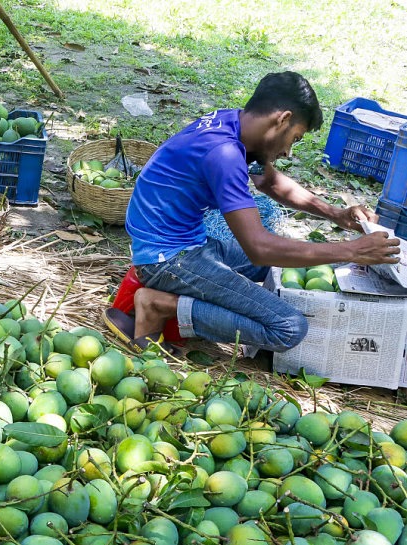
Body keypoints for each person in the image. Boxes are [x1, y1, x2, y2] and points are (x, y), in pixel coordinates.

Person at [106, 71, 400, 353]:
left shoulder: (235, 123)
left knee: (282, 265)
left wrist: (336, 214)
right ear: (282, 119)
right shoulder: (224, 154)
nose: (288, 153)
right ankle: (159, 304)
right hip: (168, 259)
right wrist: (350, 250)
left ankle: (171, 300)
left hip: (186, 245)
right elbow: (259, 247)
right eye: (295, 138)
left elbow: (270, 181)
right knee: (289, 327)